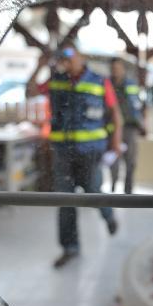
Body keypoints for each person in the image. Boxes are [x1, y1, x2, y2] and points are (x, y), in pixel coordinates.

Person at [27, 45, 122, 267]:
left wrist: (115, 143)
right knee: (64, 199)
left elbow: (115, 113)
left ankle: (108, 216)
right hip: (63, 151)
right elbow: (31, 91)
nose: (66, 62)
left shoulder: (99, 81)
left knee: (92, 190)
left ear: (81, 57)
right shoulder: (55, 80)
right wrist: (38, 67)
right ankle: (70, 248)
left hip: (91, 150)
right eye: (62, 58)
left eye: (70, 57)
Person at [109, 58, 145, 194]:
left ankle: (128, 192)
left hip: (130, 127)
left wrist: (142, 123)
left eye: (118, 68)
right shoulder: (108, 84)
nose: (116, 71)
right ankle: (112, 189)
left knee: (130, 162)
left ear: (123, 69)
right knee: (113, 162)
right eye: (113, 69)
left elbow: (138, 105)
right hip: (112, 128)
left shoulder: (131, 84)